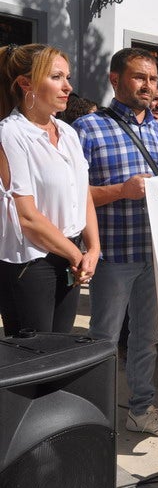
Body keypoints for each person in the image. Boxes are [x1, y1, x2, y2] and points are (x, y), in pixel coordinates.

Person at [72, 47, 158, 437]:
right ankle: (91, 417)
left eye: (152, 78)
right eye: (139, 77)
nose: (148, 86)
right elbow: (75, 195)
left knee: (145, 341)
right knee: (102, 340)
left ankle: (140, 408)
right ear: (114, 79)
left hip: (153, 253)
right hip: (113, 255)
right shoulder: (88, 128)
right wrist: (121, 190)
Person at [0, 43, 100, 337]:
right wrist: (76, 254)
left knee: (60, 349)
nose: (67, 86)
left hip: (69, 256)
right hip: (31, 262)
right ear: (25, 83)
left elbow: (83, 194)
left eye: (67, 77)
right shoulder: (10, 134)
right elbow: (27, 216)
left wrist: (92, 248)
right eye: (56, 77)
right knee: (34, 358)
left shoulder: (67, 132)